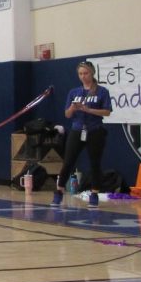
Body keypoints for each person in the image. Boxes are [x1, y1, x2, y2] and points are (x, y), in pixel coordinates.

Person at [53, 60, 113, 208]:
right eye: (80, 74)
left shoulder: (102, 91)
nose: (83, 76)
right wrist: (73, 108)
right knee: (68, 161)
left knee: (95, 163)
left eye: (86, 73)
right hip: (77, 129)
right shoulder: (74, 92)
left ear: (92, 73)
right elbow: (67, 114)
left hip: (95, 130)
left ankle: (94, 193)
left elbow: (107, 111)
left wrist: (89, 110)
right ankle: (59, 191)